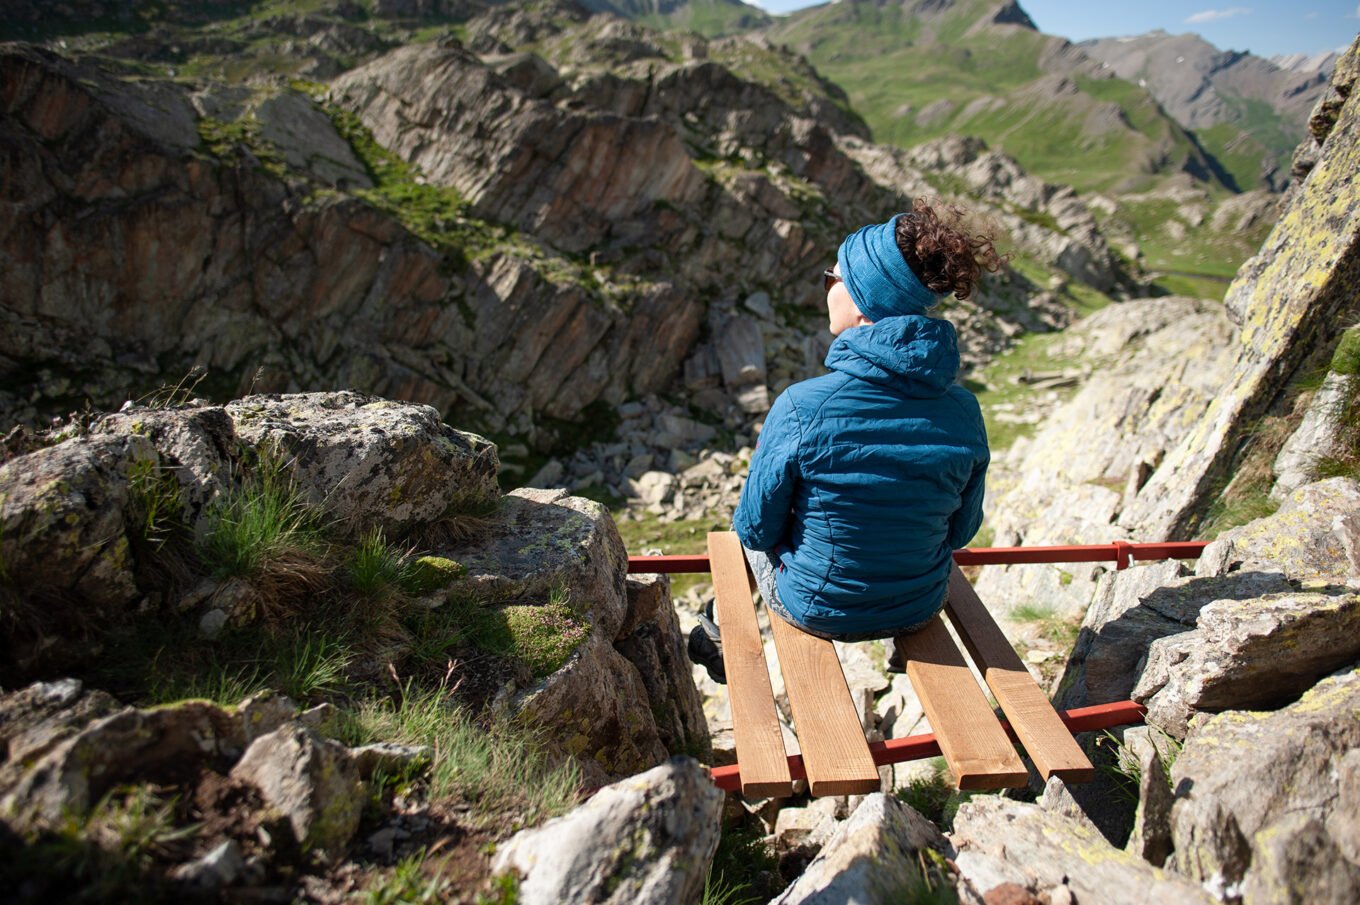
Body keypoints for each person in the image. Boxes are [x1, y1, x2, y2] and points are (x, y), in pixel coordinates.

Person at [689, 199, 1003, 683]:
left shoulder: (801, 405)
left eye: (831, 278)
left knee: (746, 531)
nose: (826, 289)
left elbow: (755, 530)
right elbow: (959, 533)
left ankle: (712, 627)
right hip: (920, 603)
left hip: (821, 608)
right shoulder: (965, 409)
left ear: (861, 301)